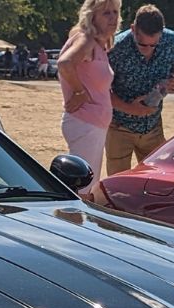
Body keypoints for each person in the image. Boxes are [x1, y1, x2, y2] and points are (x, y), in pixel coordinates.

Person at [105, 4, 174, 176]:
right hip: (119, 127)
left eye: (154, 45)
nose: (148, 51)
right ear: (133, 29)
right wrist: (131, 109)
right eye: (142, 44)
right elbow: (101, 91)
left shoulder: (171, 40)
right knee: (117, 185)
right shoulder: (115, 47)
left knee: (156, 181)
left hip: (153, 126)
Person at [58, 0, 121, 199]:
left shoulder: (97, 44)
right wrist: (78, 92)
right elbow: (65, 64)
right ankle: (72, 224)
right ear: (92, 16)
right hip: (86, 124)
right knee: (81, 187)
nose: (113, 18)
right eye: (106, 13)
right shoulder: (86, 39)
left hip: (92, 125)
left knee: (86, 184)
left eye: (115, 12)